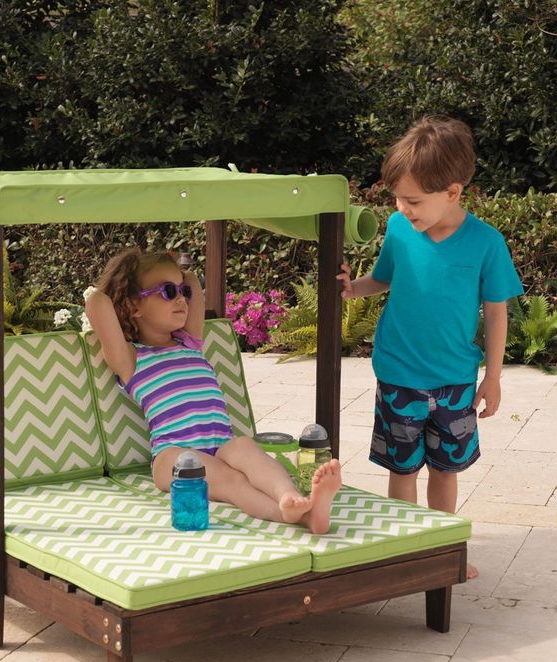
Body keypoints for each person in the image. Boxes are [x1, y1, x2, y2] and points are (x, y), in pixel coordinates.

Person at [336, 115, 523, 578]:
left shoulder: (485, 243)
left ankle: (441, 555)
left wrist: (493, 378)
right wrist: (351, 288)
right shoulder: (401, 229)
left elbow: (497, 313)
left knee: (445, 469)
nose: (402, 209)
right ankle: (405, 553)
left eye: (413, 200)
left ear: (453, 193)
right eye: (397, 198)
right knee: (402, 471)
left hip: (455, 381)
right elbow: (383, 279)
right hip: (399, 374)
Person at [86, 247, 341, 534]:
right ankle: (293, 517)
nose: (182, 297)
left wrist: (176, 275)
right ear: (134, 307)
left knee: (248, 450)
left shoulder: (190, 343)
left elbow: (193, 279)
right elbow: (97, 302)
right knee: (231, 481)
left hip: (222, 443)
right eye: (168, 292)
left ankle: (289, 497)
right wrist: (123, 281)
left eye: (182, 291)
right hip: (174, 456)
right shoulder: (132, 358)